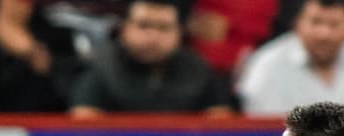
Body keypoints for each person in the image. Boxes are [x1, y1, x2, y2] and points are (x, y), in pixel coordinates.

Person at [69, 0, 231, 116]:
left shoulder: (198, 70)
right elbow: (83, 123)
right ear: (124, 28)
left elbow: (222, 126)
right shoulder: (102, 68)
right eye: (143, 25)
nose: (153, 36)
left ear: (179, 33)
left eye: (164, 28)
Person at [236, 0, 344, 116]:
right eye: (316, 22)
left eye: (334, 24)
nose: (324, 34)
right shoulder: (268, 64)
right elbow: (262, 126)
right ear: (297, 24)